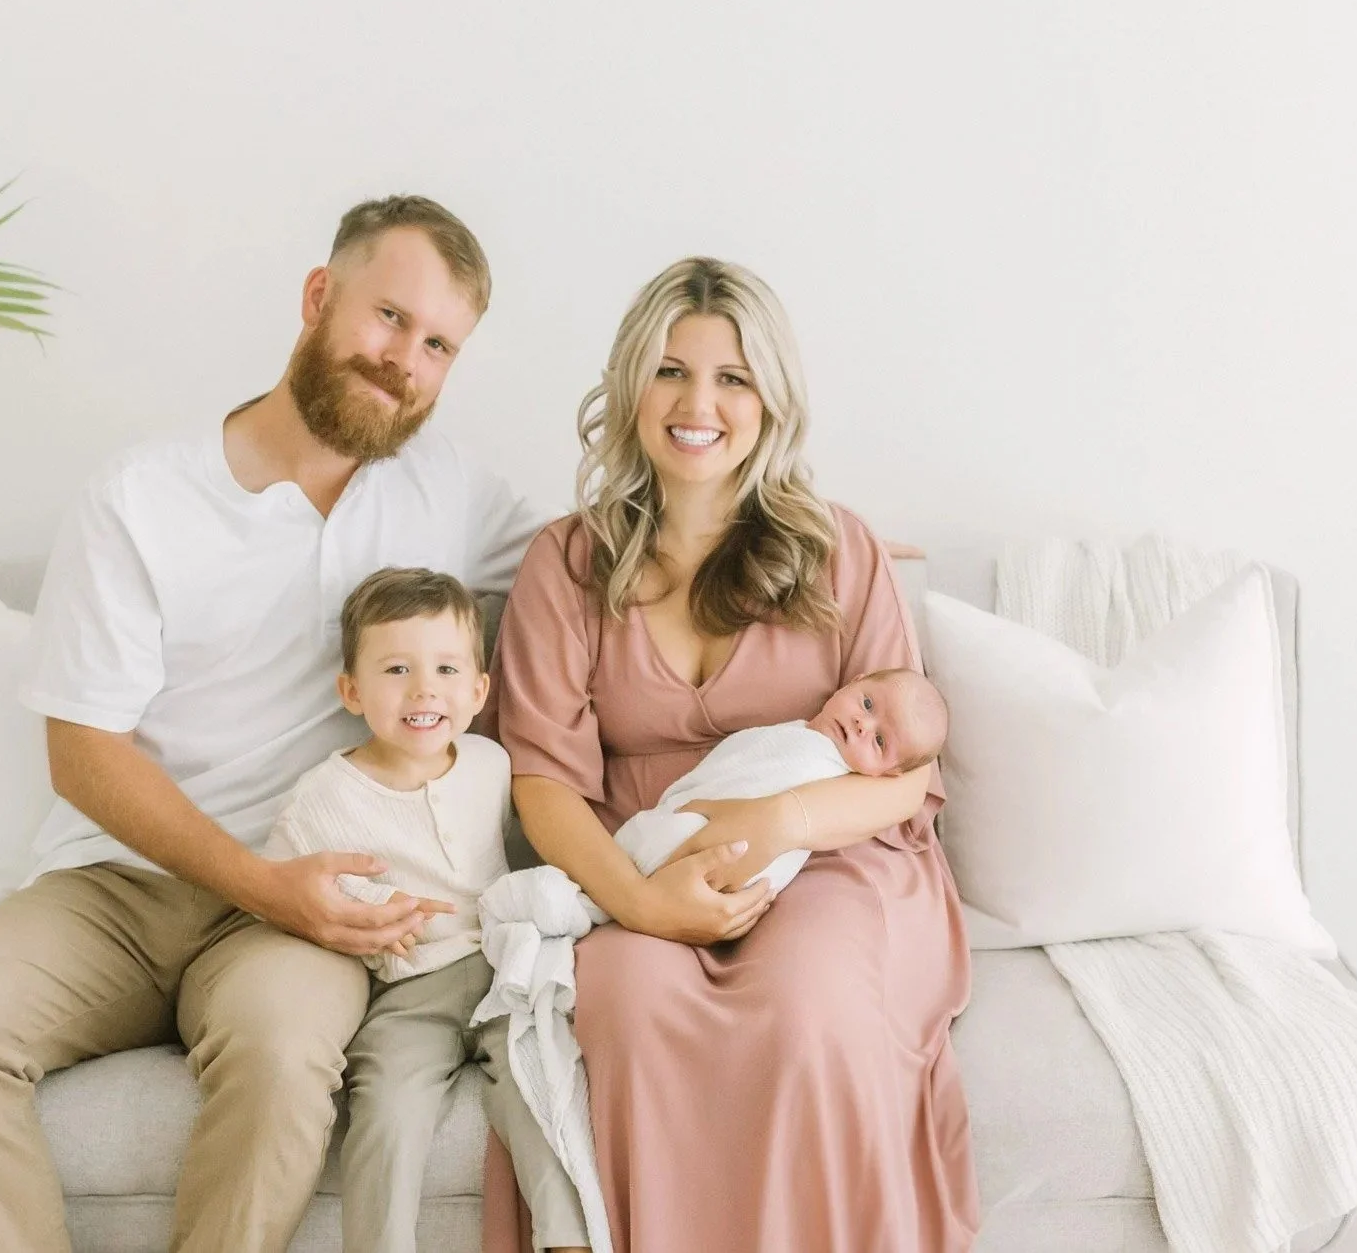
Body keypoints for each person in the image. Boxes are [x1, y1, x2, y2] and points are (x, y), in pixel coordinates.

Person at [0, 196, 543, 1253]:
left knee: (283, 1058)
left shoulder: (448, 490)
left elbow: (604, 566)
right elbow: (81, 754)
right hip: (120, 887)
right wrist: (259, 880)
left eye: (437, 346)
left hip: (299, 907)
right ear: (318, 297)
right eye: (388, 317)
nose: (403, 360)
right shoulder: (141, 497)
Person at [483, 257, 980, 1252]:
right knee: (625, 1008)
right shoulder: (566, 565)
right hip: (641, 866)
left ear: (770, 400)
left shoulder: (837, 549)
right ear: (631, 385)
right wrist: (639, 902)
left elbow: (907, 776)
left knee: (808, 1010)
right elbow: (542, 781)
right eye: (670, 371)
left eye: (732, 378)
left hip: (833, 861)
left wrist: (775, 822)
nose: (697, 405)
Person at [262, 566, 563, 1253]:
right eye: (397, 669)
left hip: (505, 971)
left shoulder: (491, 764)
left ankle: (569, 1240)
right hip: (408, 990)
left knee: (543, 1089)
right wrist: (363, 907)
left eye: (447, 669)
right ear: (351, 690)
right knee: (386, 1112)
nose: (425, 689)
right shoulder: (321, 799)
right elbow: (285, 894)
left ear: (479, 690)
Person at [622, 665, 951, 893]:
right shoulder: (796, 733)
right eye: (867, 703)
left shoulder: (832, 781)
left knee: (651, 849)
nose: (863, 724)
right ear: (854, 681)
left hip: (716, 854)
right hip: (683, 819)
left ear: (888, 773)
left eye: (879, 741)